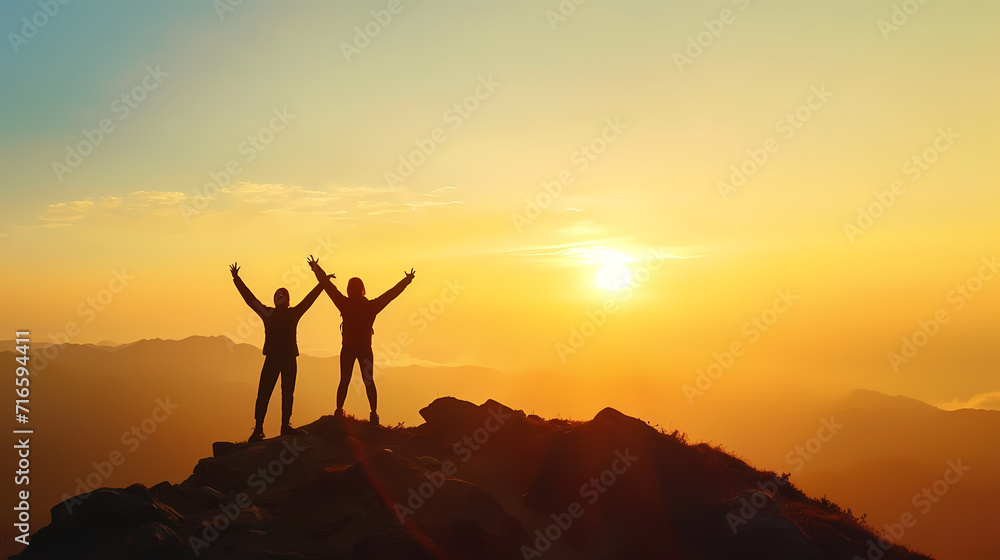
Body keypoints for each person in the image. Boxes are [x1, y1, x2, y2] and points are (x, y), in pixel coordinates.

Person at [308, 256, 414, 425]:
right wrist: (407, 280)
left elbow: (328, 287)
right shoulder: (371, 306)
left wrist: (316, 268)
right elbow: (391, 294)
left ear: (349, 289)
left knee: (344, 380)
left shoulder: (344, 303)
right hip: (365, 348)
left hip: (348, 348)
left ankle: (338, 411)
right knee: (369, 381)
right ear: (363, 289)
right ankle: (373, 414)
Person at [230, 261, 329, 442]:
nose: (279, 297)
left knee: (275, 392)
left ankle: (271, 427)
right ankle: (270, 427)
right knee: (275, 392)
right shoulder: (284, 313)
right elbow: (250, 299)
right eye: (278, 295)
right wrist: (237, 279)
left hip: (280, 358)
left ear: (284, 299)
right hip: (283, 358)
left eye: (281, 295)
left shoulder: (275, 313)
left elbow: (250, 299)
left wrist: (236, 279)